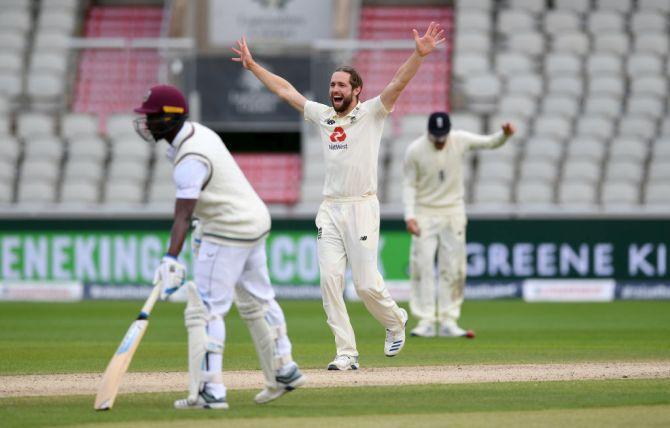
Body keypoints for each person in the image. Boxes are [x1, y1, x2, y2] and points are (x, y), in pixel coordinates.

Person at [231, 22, 446, 370]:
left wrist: (418, 55)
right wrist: (253, 66)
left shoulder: (372, 112)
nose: (335, 89)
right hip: (330, 209)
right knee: (329, 284)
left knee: (364, 285)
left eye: (341, 85)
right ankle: (346, 352)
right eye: (332, 84)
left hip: (362, 205)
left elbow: (398, 83)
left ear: (357, 90)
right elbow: (287, 92)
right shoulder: (324, 116)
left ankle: (395, 321)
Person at [134, 84, 306, 409]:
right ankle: (285, 366)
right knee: (259, 298)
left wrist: (171, 258)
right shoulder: (199, 133)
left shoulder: (190, 157)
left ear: (170, 119)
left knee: (208, 309)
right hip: (253, 221)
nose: (147, 123)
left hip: (228, 231)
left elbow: (182, 215)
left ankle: (212, 391)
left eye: (152, 117)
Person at [402, 112, 515, 338]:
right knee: (422, 266)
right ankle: (425, 321)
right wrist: (410, 216)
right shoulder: (415, 150)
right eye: (436, 136)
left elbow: (489, 142)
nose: (441, 141)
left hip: (453, 212)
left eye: (443, 136)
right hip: (425, 212)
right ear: (429, 133)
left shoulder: (459, 139)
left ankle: (448, 321)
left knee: (453, 267)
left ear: (449, 131)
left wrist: (504, 135)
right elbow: (409, 185)